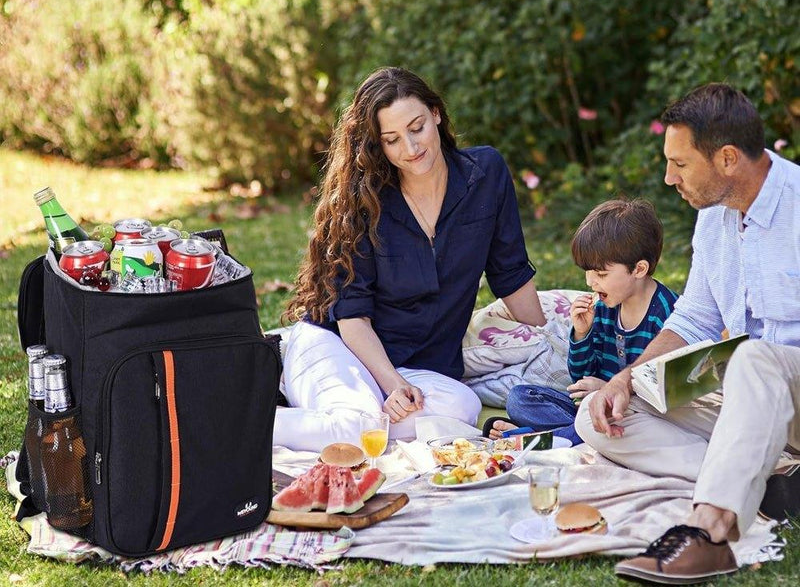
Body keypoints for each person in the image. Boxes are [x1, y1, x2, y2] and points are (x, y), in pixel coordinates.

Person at [574, 83, 800, 584]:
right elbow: (694, 317)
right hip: (749, 396)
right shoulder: (713, 219)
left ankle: (709, 533)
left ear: (726, 158)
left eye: (680, 164)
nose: (668, 177)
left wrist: (756, 368)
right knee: (601, 415)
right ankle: (773, 480)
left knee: (754, 359)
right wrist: (627, 377)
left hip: (790, 390)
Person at [272, 67, 547, 452]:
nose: (411, 147)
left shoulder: (485, 174)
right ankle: (243, 421)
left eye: (416, 127)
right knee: (359, 427)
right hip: (341, 345)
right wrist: (393, 385)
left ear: (436, 113)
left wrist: (551, 342)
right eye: (392, 139)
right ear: (378, 146)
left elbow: (510, 272)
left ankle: (324, 420)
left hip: (419, 366)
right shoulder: (365, 202)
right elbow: (352, 317)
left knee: (462, 410)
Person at [485, 199, 678, 446]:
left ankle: (532, 441)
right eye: (588, 272)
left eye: (601, 274)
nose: (590, 282)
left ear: (639, 269)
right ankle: (565, 436)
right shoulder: (606, 306)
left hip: (638, 416)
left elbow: (665, 395)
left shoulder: (667, 314)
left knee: (604, 427)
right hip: (591, 408)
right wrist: (581, 333)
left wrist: (607, 388)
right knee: (520, 398)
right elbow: (581, 377)